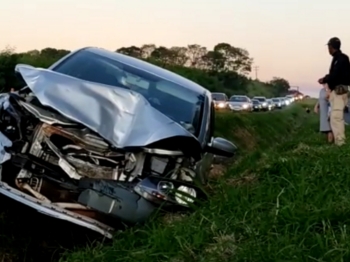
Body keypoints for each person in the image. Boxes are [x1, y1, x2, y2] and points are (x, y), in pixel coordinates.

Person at [318, 37, 350, 144]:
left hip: (339, 92)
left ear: (331, 47)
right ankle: (339, 140)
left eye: (329, 47)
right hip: (339, 91)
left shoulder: (340, 59)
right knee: (335, 116)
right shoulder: (341, 58)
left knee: (336, 117)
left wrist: (324, 79)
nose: (328, 49)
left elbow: (335, 75)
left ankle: (340, 143)